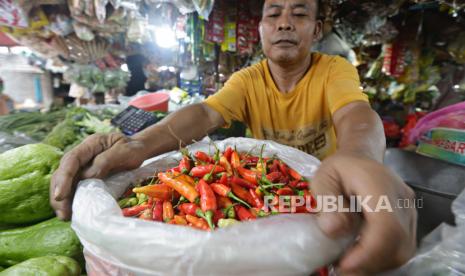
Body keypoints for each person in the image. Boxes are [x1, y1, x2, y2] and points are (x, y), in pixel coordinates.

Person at [50, 0, 417, 274]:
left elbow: (356, 114)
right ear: (259, 28)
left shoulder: (333, 70)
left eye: (300, 14)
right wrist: (137, 145)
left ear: (317, 30)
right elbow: (206, 113)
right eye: (274, 14)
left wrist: (357, 159)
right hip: (269, 194)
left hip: (325, 195)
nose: (285, 24)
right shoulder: (247, 80)